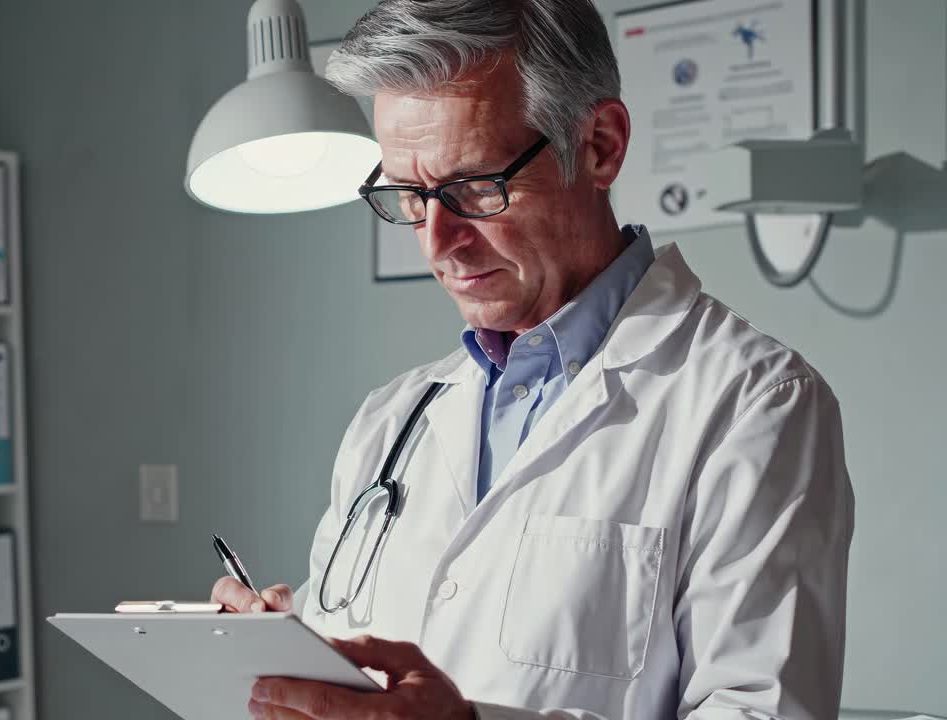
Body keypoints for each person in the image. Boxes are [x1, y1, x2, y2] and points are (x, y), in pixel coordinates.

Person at [211, 1, 854, 718]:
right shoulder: (390, 420)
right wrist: (286, 668)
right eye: (411, 196)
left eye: (472, 188)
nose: (437, 242)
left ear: (602, 145)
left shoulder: (752, 404)